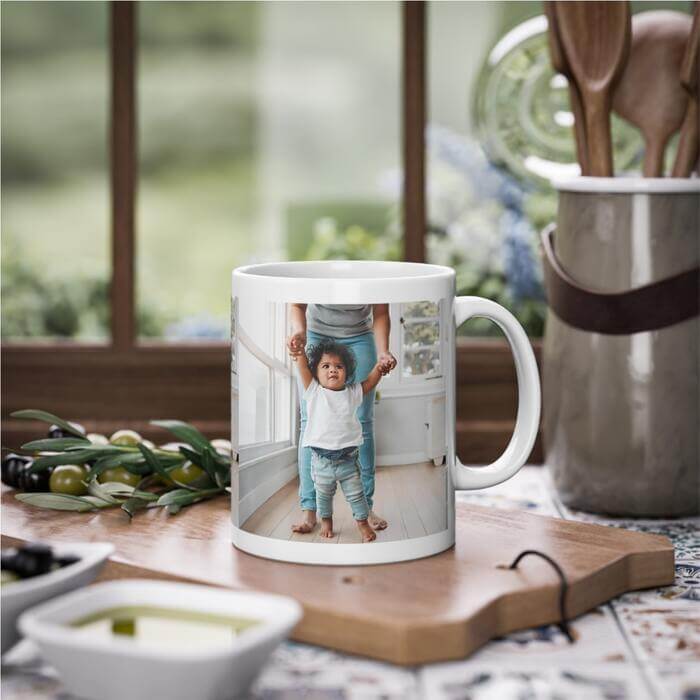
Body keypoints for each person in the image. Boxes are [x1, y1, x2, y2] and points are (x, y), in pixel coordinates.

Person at [287, 304, 397, 534]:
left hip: (359, 337)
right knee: (310, 420)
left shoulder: (374, 268)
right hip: (316, 334)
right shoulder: (312, 266)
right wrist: (300, 332)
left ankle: (365, 509)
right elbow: (297, 302)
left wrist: (383, 352)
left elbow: (380, 313)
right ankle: (310, 510)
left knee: (363, 421)